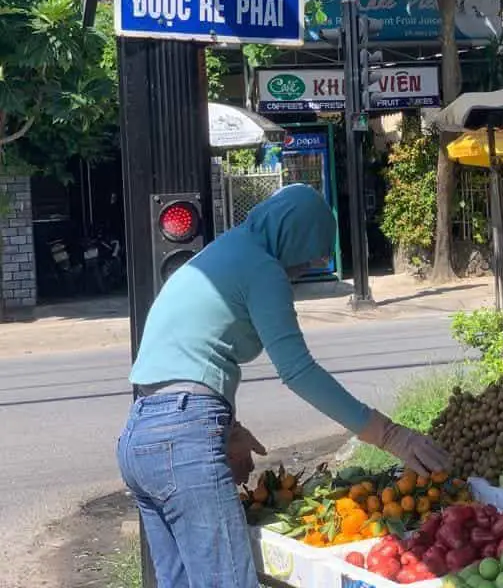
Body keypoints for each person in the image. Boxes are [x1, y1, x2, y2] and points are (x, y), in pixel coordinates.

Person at [117, 184, 449, 587]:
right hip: (184, 436)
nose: (303, 270)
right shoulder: (260, 266)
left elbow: (180, 357)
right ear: (296, 237)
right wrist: (392, 436)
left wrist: (228, 430)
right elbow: (298, 371)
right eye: (309, 256)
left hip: (139, 435)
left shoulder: (224, 252)